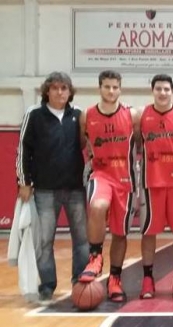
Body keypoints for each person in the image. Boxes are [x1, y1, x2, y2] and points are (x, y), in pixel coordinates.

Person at [16, 71, 89, 302]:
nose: (59, 92)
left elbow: (89, 146)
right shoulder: (34, 115)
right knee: (45, 241)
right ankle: (48, 284)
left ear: (70, 91)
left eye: (64, 88)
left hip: (75, 188)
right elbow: (23, 150)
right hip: (45, 190)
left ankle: (80, 280)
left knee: (82, 239)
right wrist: (24, 182)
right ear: (47, 90)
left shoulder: (78, 115)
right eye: (55, 88)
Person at [78, 70, 139, 302]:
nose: (111, 91)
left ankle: (115, 279)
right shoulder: (88, 115)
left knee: (120, 233)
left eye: (115, 87)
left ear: (120, 89)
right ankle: (95, 256)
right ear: (99, 88)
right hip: (101, 174)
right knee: (97, 205)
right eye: (107, 87)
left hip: (125, 178)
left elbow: (141, 142)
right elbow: (82, 142)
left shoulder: (132, 115)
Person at [138, 74, 173, 299]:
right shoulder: (141, 115)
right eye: (158, 89)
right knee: (149, 231)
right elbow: (138, 143)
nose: (162, 93)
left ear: (172, 91)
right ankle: (148, 279)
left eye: (166, 89)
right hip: (151, 181)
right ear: (152, 90)